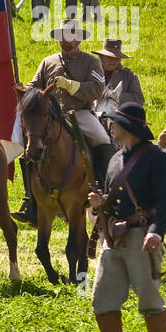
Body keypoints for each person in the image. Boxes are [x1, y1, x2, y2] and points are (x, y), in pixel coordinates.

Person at [88, 102, 166, 332]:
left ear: (127, 126)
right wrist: (98, 202)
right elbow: (113, 201)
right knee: (101, 299)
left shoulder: (157, 158)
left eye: (114, 122)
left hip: (141, 238)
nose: (110, 127)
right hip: (113, 238)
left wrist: (156, 233)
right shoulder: (115, 159)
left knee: (149, 300)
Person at [14, 17, 110, 225]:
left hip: (79, 114)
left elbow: (96, 89)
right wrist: (24, 90)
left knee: (103, 140)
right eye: (63, 36)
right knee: (27, 151)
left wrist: (71, 86)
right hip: (49, 117)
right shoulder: (48, 62)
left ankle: (105, 188)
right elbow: (35, 86)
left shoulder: (91, 62)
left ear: (78, 40)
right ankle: (30, 199)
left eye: (70, 36)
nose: (65, 41)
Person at [93, 38, 143, 121]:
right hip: (93, 116)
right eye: (109, 57)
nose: (113, 60)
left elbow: (139, 99)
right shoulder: (93, 73)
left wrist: (116, 97)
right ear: (102, 57)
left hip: (121, 119)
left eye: (117, 58)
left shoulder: (129, 76)